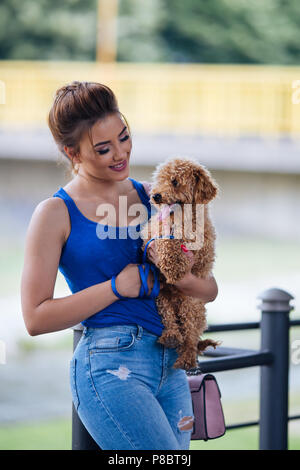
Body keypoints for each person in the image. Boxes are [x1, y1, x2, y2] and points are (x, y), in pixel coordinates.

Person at [21, 81, 218, 450]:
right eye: (103, 148)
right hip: (110, 366)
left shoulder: (156, 197)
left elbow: (210, 289)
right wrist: (117, 287)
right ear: (72, 152)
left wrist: (186, 279)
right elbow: (35, 318)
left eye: (124, 137)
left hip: (171, 364)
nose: (120, 153)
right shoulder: (54, 213)